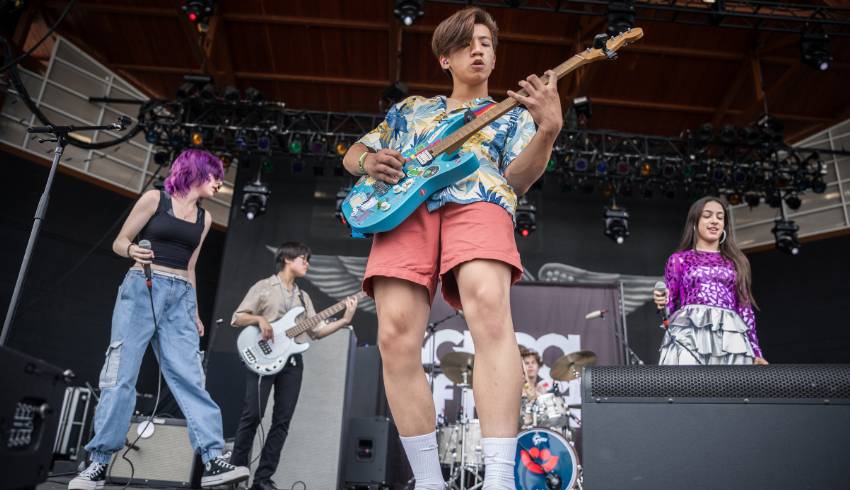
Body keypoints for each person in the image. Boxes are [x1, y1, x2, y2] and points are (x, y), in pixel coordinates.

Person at [342, 7, 562, 489]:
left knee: (489, 309)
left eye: (486, 42)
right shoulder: (410, 110)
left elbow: (519, 179)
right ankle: (428, 481)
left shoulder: (511, 116)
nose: (479, 49)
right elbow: (353, 153)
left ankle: (501, 477)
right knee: (395, 334)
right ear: (446, 58)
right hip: (404, 209)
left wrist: (547, 129)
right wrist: (369, 161)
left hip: (480, 197)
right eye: (467, 43)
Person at [69, 149, 249, 490]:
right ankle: (98, 462)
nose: (220, 183)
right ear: (196, 171)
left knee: (190, 378)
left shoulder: (204, 219)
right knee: (121, 375)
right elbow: (120, 242)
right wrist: (131, 250)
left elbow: (191, 267)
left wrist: (194, 310)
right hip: (141, 287)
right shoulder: (156, 199)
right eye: (215, 175)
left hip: (180, 296)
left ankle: (213, 459)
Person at [229, 242, 358, 490]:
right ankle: (235, 473)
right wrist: (260, 319)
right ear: (287, 259)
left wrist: (345, 320)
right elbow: (237, 317)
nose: (307, 263)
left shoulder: (303, 297)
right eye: (303, 259)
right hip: (262, 359)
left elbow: (316, 332)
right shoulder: (264, 287)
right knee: (253, 414)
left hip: (291, 362)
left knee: (282, 421)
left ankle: (263, 479)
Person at [653, 196, 768, 366]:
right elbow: (669, 306)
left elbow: (745, 309)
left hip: (730, 336)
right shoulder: (678, 259)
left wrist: (755, 350)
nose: (714, 221)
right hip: (689, 334)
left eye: (720, 217)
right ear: (695, 221)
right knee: (690, 387)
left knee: (729, 388)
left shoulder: (736, 261)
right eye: (707, 215)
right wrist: (661, 302)